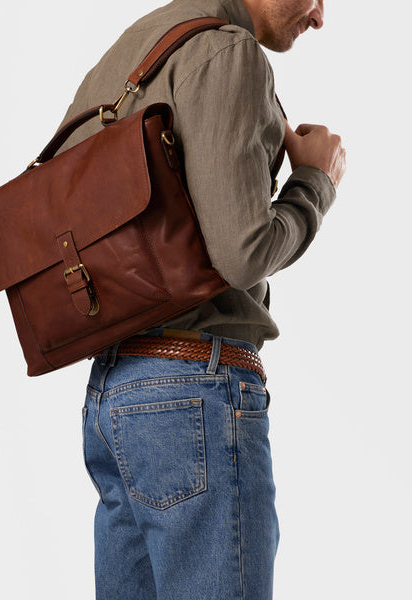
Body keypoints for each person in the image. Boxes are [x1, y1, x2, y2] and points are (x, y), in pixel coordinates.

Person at [56, 0, 346, 598]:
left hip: (114, 392)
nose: (319, 16)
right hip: (195, 389)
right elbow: (242, 253)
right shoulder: (229, 51)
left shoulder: (135, 46)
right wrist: (315, 182)